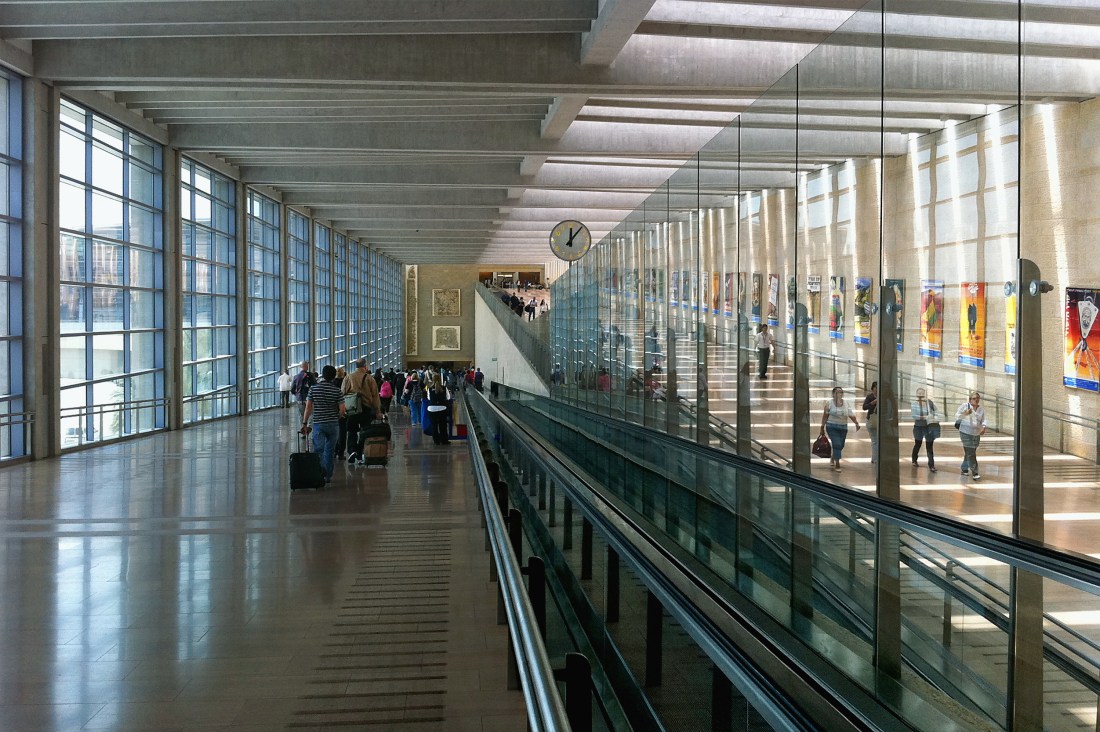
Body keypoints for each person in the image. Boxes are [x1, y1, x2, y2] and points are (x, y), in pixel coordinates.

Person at [299, 364, 345, 486]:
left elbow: (308, 407)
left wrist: (304, 423)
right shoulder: (337, 390)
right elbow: (342, 409)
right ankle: (328, 475)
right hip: (333, 424)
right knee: (330, 450)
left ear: (323, 375)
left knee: (319, 450)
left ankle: (320, 473)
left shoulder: (313, 389)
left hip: (319, 423)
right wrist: (338, 416)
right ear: (333, 376)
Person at [342, 358, 382, 464]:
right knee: (365, 431)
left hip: (352, 408)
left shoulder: (348, 377)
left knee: (351, 431)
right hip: (366, 408)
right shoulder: (370, 379)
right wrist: (378, 411)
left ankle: (352, 450)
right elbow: (375, 396)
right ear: (365, 366)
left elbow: (343, 393)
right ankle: (360, 452)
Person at [819, 386, 860, 472]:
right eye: (838, 392)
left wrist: (856, 423)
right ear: (833, 394)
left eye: (841, 392)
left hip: (843, 427)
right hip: (831, 426)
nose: (840, 394)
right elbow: (825, 416)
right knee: (837, 443)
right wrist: (822, 427)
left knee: (841, 445)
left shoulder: (846, 403)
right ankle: (837, 464)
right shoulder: (829, 403)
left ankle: (833, 457)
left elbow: (850, 414)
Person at [955, 391, 987, 480]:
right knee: (971, 452)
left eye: (977, 398)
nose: (976, 400)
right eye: (974, 398)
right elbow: (957, 417)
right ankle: (975, 472)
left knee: (969, 452)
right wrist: (965, 413)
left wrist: (983, 427)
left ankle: (964, 468)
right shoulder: (965, 406)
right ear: (970, 399)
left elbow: (984, 420)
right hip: (965, 432)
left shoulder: (981, 409)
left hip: (976, 433)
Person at [910, 387, 940, 472]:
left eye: (922, 393)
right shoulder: (914, 404)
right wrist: (925, 417)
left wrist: (933, 416)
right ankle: (914, 460)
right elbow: (914, 416)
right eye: (919, 393)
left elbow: (936, 411)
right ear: (916, 395)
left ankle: (931, 465)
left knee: (929, 446)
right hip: (918, 427)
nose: (921, 395)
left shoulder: (929, 403)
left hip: (928, 426)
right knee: (918, 444)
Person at [425, 376, 451, 445]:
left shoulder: (429, 388)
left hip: (432, 409)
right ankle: (444, 440)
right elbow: (448, 397)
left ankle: (436, 441)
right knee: (443, 426)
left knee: (434, 426)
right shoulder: (444, 388)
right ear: (440, 380)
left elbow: (429, 398)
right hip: (442, 408)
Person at [862, 381, 878, 464]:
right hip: (872, 421)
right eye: (876, 388)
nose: (877, 390)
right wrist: (872, 403)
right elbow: (864, 407)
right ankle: (875, 459)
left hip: (881, 422)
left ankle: (875, 458)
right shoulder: (870, 397)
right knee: (875, 440)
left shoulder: (883, 397)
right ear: (872, 389)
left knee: (879, 441)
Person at [334, 367, 348, 460]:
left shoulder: (332, 383)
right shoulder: (346, 382)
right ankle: (341, 453)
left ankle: (334, 451)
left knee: (334, 432)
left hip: (333, 411)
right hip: (344, 409)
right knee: (342, 432)